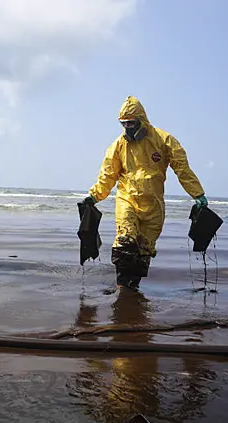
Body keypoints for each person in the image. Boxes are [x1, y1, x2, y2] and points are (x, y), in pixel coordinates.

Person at [83, 96, 208, 290]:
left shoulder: (164, 140)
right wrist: (94, 195)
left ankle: (132, 289)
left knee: (143, 251)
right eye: (124, 124)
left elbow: (182, 168)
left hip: (154, 206)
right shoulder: (118, 146)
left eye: (131, 123)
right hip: (127, 199)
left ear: (141, 120)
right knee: (125, 241)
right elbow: (108, 174)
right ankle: (121, 287)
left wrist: (197, 194)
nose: (128, 128)